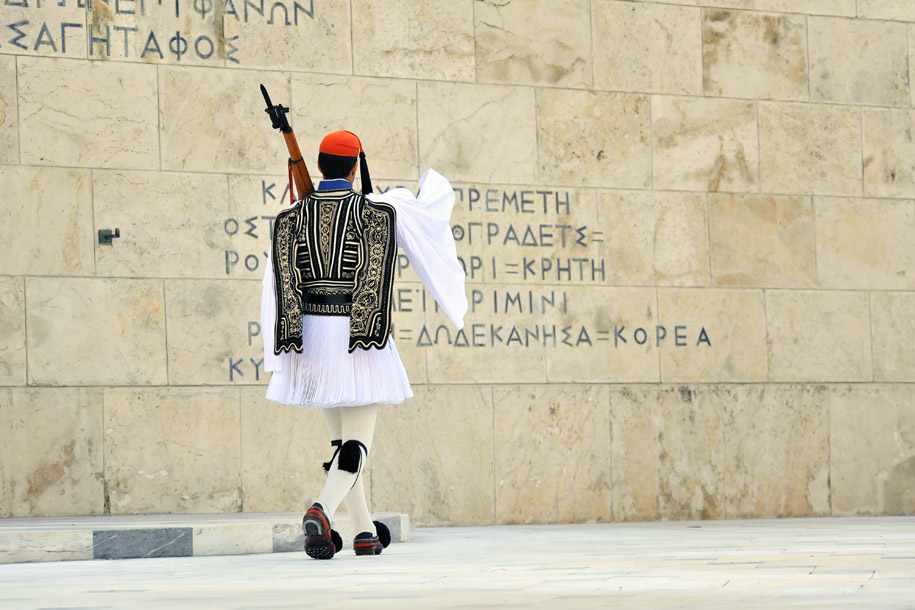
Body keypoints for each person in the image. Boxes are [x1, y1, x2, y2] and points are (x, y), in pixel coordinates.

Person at [260, 130, 466, 559]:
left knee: (340, 445)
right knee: (357, 443)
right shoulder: (379, 211)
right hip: (359, 336)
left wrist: (283, 348)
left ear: (318, 166)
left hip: (311, 342)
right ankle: (322, 508)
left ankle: (365, 532)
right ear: (355, 167)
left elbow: (277, 287)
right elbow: (427, 216)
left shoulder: (290, 216)